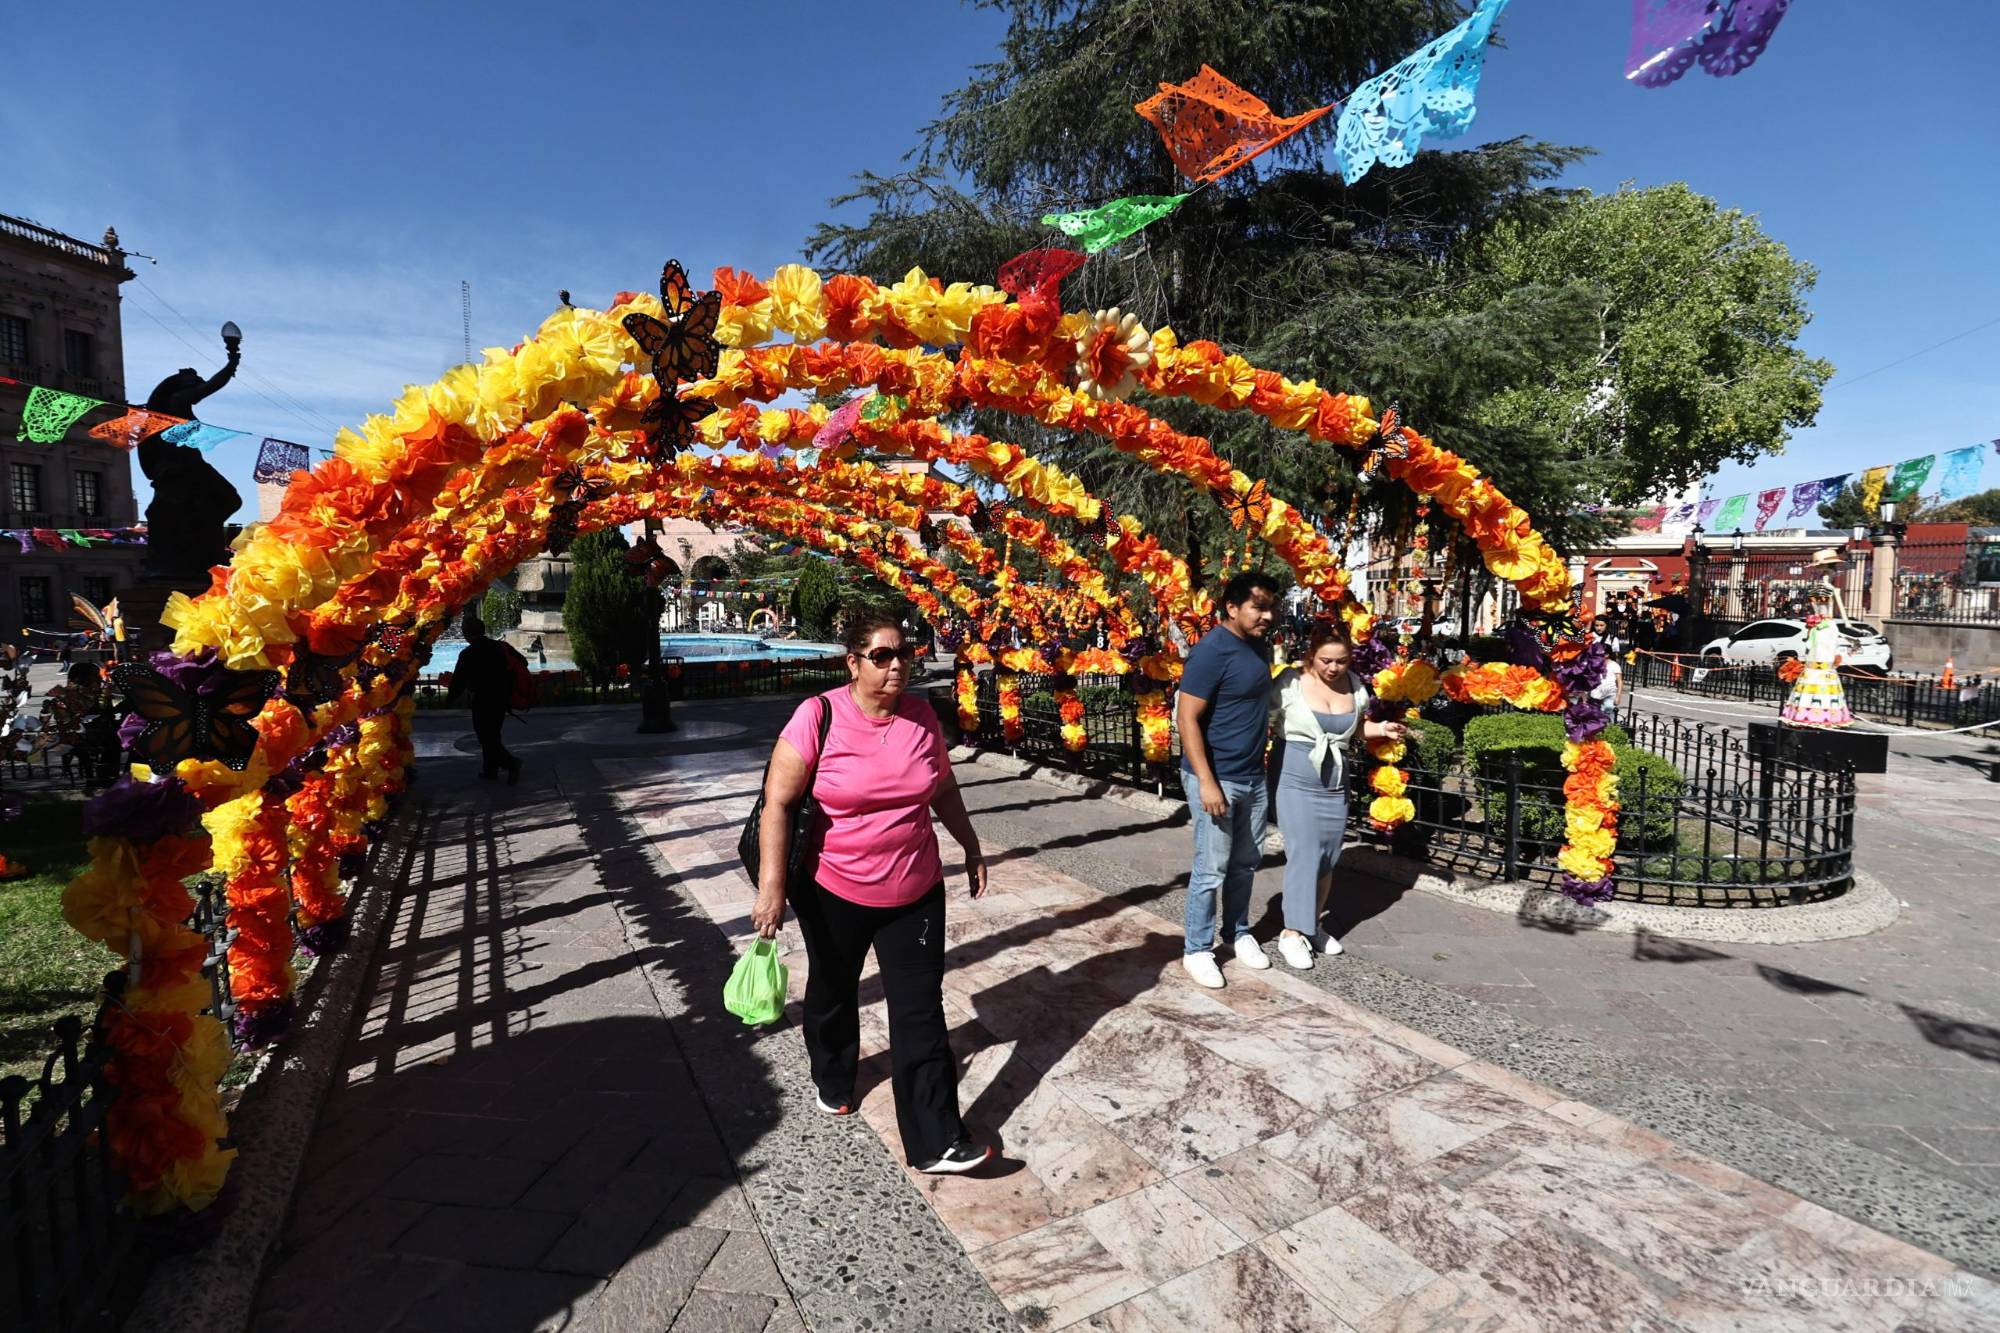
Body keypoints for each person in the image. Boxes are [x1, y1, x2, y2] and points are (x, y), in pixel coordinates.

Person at [751, 612, 992, 1174]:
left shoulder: (922, 716)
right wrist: (772, 888)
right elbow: (778, 804)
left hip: (916, 888)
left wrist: (971, 846)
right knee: (835, 991)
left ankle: (935, 1141)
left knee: (921, 1011)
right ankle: (834, 1076)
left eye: (903, 653)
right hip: (835, 888)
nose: (896, 665)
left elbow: (944, 791)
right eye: (881, 656)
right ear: (853, 663)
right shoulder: (820, 715)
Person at [1268, 621, 1405, 970]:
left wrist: (1382, 728)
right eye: (1326, 660)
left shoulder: (1355, 686)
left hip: (1334, 780)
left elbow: (1355, 728)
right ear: (1311, 657)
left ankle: (1312, 924)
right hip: (1295, 775)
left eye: (1341, 661)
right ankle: (1291, 932)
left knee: (1328, 855)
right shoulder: (1290, 682)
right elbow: (1261, 719)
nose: (1333, 668)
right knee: (1305, 852)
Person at [1175, 570, 1281, 989]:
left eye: (1270, 606)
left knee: (1246, 862)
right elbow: (1187, 718)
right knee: (1211, 868)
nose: (1267, 615)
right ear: (1232, 607)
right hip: (1217, 777)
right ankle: (1197, 949)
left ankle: (1237, 933)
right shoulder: (1211, 652)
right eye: (1258, 606)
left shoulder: (1260, 647)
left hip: (1253, 775)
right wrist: (1206, 780)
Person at [444, 614, 525, 782]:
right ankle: (490, 770)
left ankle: (511, 763)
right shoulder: (499, 646)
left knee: (485, 737)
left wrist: (449, 700)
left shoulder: (468, 653)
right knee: (493, 734)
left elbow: (458, 680)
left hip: (483, 699)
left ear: (467, 634)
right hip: (501, 696)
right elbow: (522, 661)